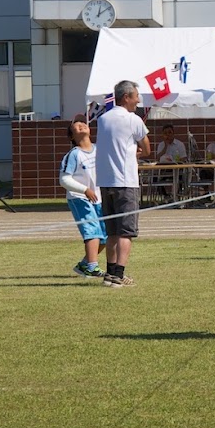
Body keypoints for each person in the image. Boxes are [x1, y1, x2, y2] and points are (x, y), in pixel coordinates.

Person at [95, 80, 151, 288]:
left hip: (106, 181)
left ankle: (110, 273)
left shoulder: (103, 119)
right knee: (126, 232)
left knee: (112, 231)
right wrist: (137, 151)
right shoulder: (133, 119)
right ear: (126, 97)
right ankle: (119, 274)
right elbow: (146, 148)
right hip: (125, 181)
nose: (138, 100)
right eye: (136, 96)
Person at [60, 119, 106, 279]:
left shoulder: (99, 149)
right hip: (79, 198)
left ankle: (85, 264)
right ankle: (93, 267)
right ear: (72, 136)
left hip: (99, 197)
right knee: (92, 230)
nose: (81, 125)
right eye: (76, 127)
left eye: (83, 123)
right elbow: (64, 179)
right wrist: (84, 190)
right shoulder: (74, 154)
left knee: (105, 236)